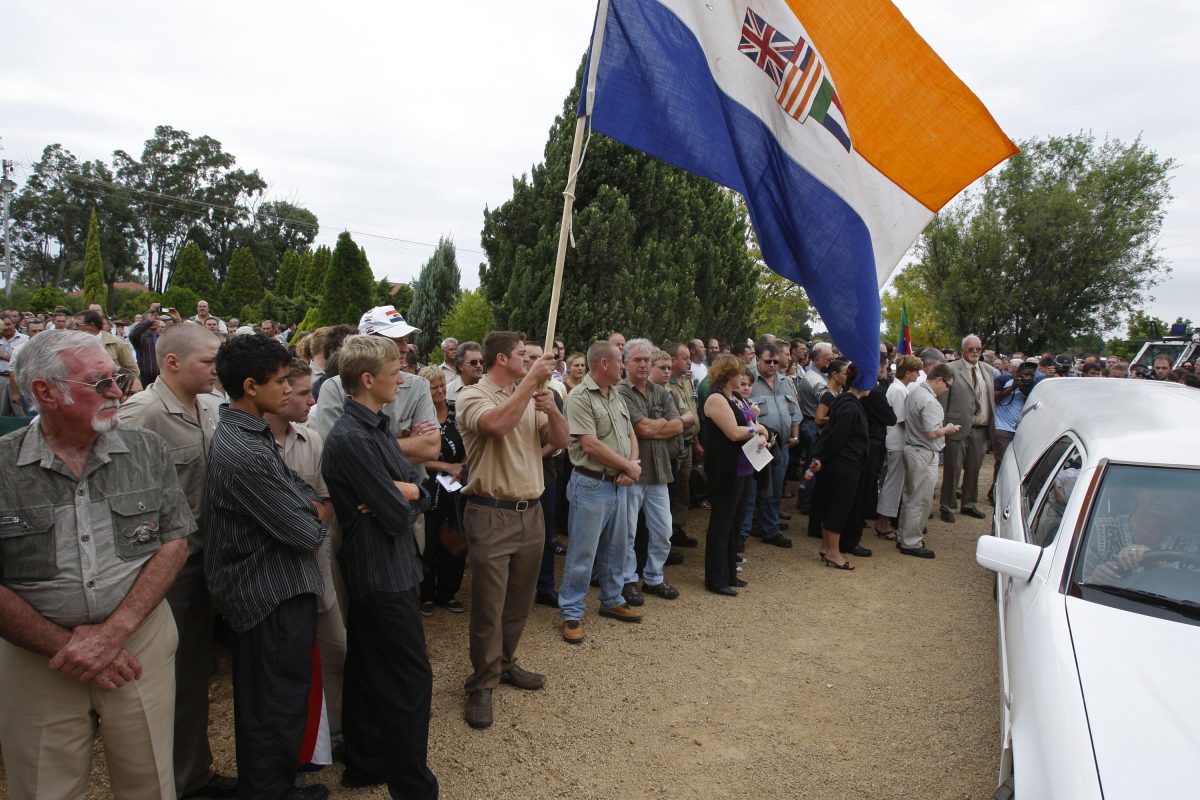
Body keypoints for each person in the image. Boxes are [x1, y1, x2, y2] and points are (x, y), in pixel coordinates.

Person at [0, 330, 191, 799]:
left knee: (150, 782)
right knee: (44, 786)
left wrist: (113, 633)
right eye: (99, 382)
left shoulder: (145, 449)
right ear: (45, 391)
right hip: (37, 658)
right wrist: (63, 645)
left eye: (118, 378)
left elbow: (174, 543)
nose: (118, 392)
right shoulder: (4, 467)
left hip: (138, 645)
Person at [203, 334, 330, 800]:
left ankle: (274, 785)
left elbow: (301, 495)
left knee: (279, 698)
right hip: (267, 595)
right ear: (252, 386)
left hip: (277, 589)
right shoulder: (247, 453)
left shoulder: (250, 436)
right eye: (281, 381)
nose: (288, 389)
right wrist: (310, 510)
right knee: (272, 703)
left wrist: (306, 505)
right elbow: (307, 530)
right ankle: (270, 790)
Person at [115, 322, 236, 799]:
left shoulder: (210, 406)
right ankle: (179, 780)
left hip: (207, 559)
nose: (216, 369)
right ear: (172, 363)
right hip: (167, 571)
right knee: (170, 677)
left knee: (193, 673)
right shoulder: (141, 414)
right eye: (208, 361)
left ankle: (193, 771)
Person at [320, 336, 439, 798]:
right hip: (379, 572)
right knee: (410, 680)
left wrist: (407, 493)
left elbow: (412, 490)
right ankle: (413, 788)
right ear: (367, 380)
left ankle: (365, 763)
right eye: (395, 373)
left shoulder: (376, 426)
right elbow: (394, 515)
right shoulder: (351, 437)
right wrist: (404, 497)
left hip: (392, 566)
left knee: (368, 668)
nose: (403, 380)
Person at [456, 332, 568, 725]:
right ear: (502, 359)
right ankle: (481, 683)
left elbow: (561, 440)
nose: (529, 358)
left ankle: (505, 662)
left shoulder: (531, 396)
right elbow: (495, 426)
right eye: (523, 354)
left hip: (531, 512)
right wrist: (531, 385)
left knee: (519, 601)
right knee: (489, 604)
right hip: (491, 512)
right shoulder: (473, 395)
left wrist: (551, 407)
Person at [264, 358, 346, 756]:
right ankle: (290, 749)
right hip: (273, 577)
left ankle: (331, 738)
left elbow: (325, 498)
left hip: (314, 565)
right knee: (286, 665)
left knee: (337, 648)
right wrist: (302, 513)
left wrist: (301, 520)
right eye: (301, 392)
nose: (311, 400)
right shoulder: (246, 444)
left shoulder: (311, 439)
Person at [558, 340, 643, 643]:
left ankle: (612, 599)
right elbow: (590, 444)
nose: (624, 366)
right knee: (583, 552)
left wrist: (630, 465)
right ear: (604, 364)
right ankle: (571, 611)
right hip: (591, 484)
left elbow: (630, 432)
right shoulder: (580, 396)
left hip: (618, 483)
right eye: (621, 360)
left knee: (616, 548)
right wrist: (628, 468)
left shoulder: (616, 394)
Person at [616, 339, 684, 603]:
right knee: (629, 532)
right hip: (633, 471)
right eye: (637, 360)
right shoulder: (621, 392)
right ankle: (627, 579)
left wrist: (653, 427)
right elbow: (639, 429)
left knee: (663, 529)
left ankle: (654, 577)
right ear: (625, 363)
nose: (643, 365)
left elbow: (678, 425)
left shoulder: (661, 392)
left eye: (646, 360)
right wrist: (660, 426)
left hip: (660, 471)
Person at [701, 355, 768, 595]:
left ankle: (730, 571)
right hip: (726, 468)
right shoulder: (716, 399)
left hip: (745, 466)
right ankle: (716, 578)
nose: (743, 378)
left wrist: (760, 433)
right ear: (728, 374)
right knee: (722, 522)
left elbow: (749, 423)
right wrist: (758, 429)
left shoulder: (737, 398)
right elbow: (733, 432)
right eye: (739, 373)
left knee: (735, 522)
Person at [806, 363, 872, 570]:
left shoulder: (845, 400)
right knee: (838, 507)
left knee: (832, 505)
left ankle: (827, 547)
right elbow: (836, 437)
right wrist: (822, 458)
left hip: (840, 463)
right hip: (844, 465)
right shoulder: (849, 406)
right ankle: (834, 552)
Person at [416, 365, 467, 617]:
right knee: (429, 540)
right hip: (428, 485)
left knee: (457, 536)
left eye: (441, 385)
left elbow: (470, 442)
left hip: (457, 485)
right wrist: (446, 466)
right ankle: (426, 594)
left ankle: (449, 592)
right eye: (433, 387)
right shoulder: (419, 417)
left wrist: (462, 466)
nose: (439, 390)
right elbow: (412, 454)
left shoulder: (457, 412)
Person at [741, 342, 800, 548]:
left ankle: (770, 530)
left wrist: (794, 434)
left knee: (774, 491)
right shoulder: (746, 381)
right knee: (750, 494)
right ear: (757, 359)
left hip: (779, 445)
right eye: (768, 361)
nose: (773, 365)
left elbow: (794, 412)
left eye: (776, 362)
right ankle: (741, 536)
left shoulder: (785, 381)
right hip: (753, 447)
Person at [897, 363, 959, 559]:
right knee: (920, 499)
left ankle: (904, 535)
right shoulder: (929, 400)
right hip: (922, 452)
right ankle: (911, 541)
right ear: (939, 379)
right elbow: (932, 432)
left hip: (913, 448)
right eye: (947, 385)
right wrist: (948, 429)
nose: (946, 389)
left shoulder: (914, 393)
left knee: (910, 497)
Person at [939, 335, 994, 522]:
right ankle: (947, 505)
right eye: (971, 349)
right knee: (952, 469)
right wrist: (944, 426)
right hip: (956, 427)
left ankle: (969, 503)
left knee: (974, 469)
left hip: (980, 428)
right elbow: (943, 401)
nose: (975, 352)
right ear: (963, 350)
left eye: (978, 349)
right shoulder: (951, 368)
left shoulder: (987, 370)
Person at [875, 355, 922, 538]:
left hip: (896, 441)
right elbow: (901, 420)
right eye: (916, 371)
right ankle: (883, 523)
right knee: (893, 484)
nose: (918, 375)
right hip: (897, 442)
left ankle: (885, 521)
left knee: (893, 482)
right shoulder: (899, 390)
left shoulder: (898, 388)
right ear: (908, 372)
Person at [665, 342, 700, 547]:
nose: (689, 361)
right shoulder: (666, 384)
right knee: (672, 489)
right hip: (675, 445)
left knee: (683, 489)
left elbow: (693, 410)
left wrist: (697, 441)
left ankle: (677, 528)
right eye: (685, 358)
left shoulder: (687, 381)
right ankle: (665, 534)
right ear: (673, 360)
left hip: (689, 443)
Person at [0, 313, 29, 416]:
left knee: (21, 413)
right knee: (2, 413)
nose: (6, 327)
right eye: (3, 325)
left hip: (18, 379)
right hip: (1, 379)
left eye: (8, 324)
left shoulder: (25, 339)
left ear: (14, 324)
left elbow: (20, 360)